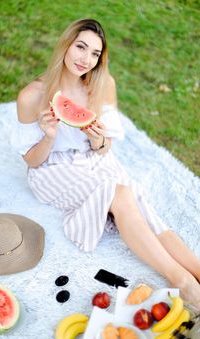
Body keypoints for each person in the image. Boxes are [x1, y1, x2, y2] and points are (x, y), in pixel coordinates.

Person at [13, 18, 200, 309]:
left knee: (143, 209)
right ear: (66, 45)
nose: (86, 59)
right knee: (121, 193)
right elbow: (32, 162)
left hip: (95, 160)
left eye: (95, 53)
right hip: (53, 170)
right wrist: (49, 137)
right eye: (80, 47)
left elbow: (104, 149)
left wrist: (98, 140)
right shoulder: (31, 95)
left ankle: (197, 273)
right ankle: (180, 280)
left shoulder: (102, 85)